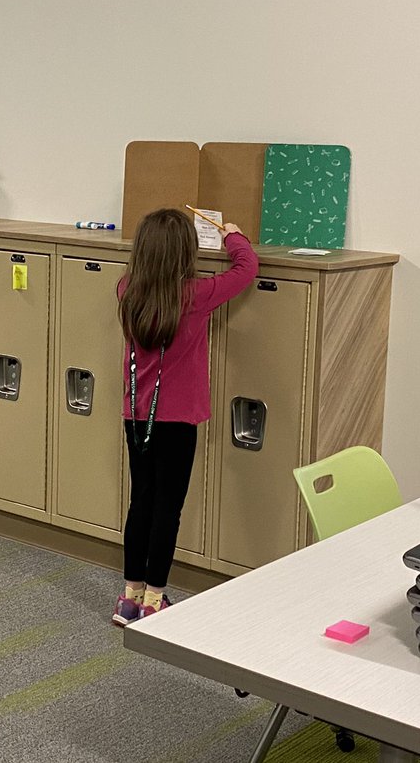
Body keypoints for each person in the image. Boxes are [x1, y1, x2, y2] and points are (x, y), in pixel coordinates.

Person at [112, 208, 259, 625]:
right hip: (177, 423)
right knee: (167, 508)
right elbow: (247, 269)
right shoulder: (195, 295)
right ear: (185, 253)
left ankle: (129, 598)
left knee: (140, 501)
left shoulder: (127, 289)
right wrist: (233, 235)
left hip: (137, 418)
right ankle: (156, 598)